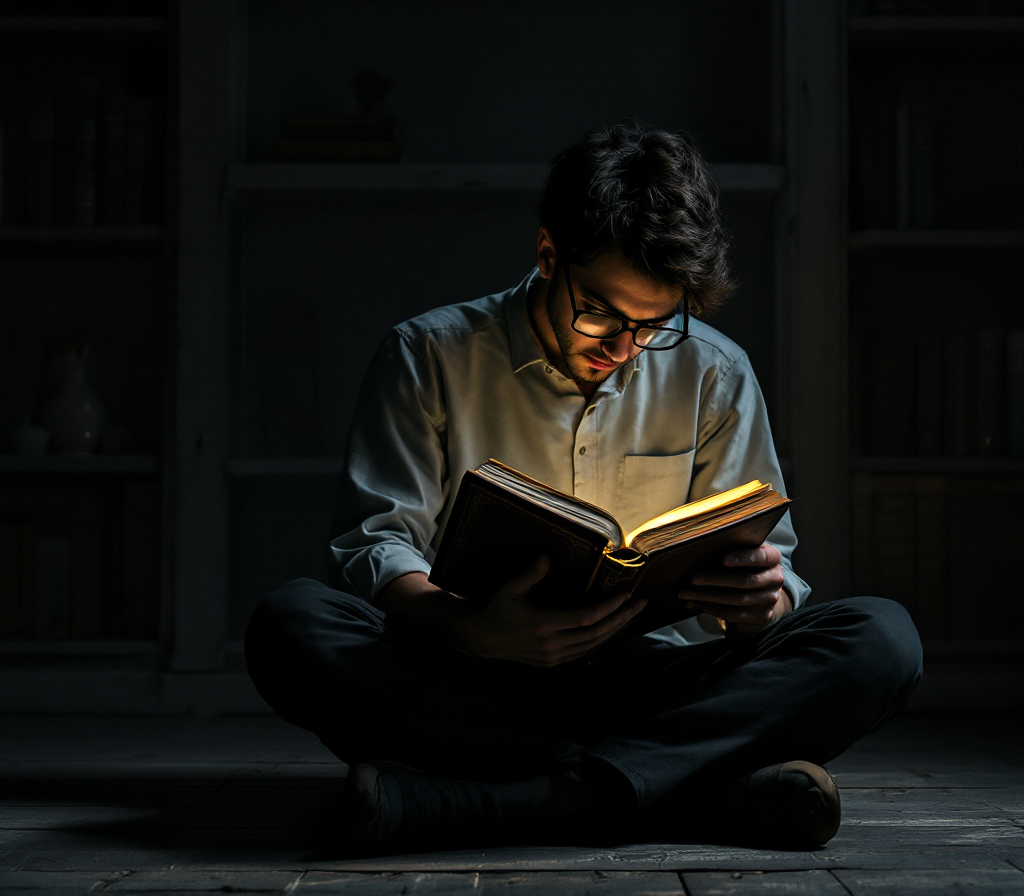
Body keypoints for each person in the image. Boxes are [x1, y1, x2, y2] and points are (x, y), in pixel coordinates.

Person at [245, 123, 922, 855]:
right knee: (291, 624)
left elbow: (772, 564)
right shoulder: (427, 356)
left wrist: (765, 600)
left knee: (882, 639)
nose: (622, 347)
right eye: (599, 311)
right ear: (546, 256)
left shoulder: (716, 372)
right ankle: (687, 792)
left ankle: (509, 800)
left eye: (653, 324)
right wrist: (470, 627)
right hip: (477, 677)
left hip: (657, 686)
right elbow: (376, 543)